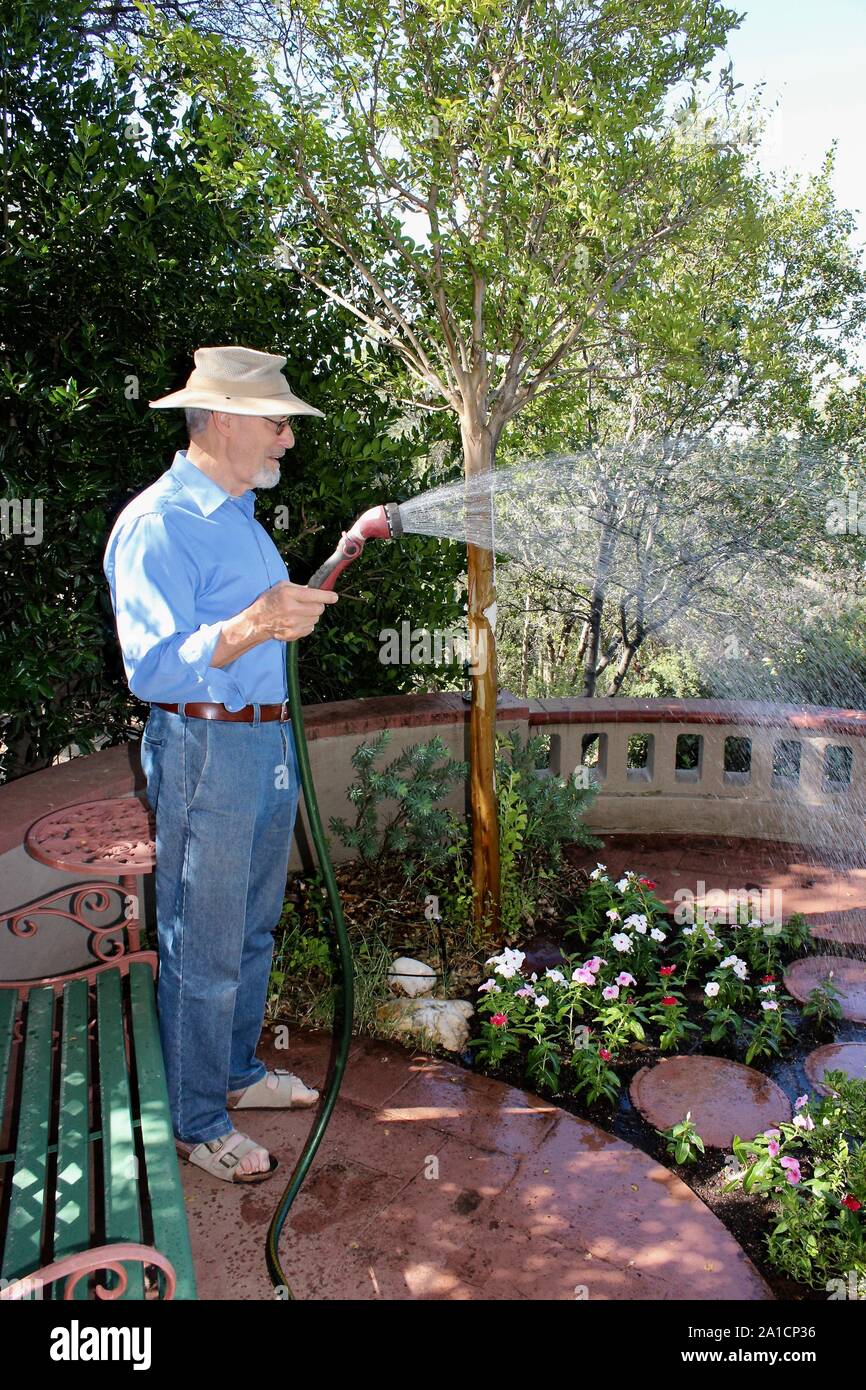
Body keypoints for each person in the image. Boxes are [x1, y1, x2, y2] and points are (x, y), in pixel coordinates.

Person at [103, 346, 339, 1184]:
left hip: (263, 743)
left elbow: (253, 625)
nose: (286, 438)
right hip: (207, 746)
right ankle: (197, 1122)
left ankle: (236, 1071)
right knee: (200, 947)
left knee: (249, 928)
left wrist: (274, 617)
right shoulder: (159, 522)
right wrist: (254, 623)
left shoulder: (235, 513)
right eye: (277, 423)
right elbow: (152, 667)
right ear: (225, 421)